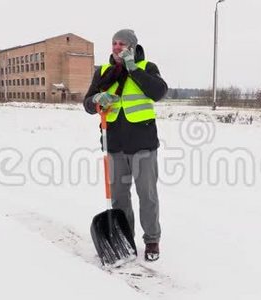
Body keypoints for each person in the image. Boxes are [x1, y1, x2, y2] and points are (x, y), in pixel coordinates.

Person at [83, 29, 168, 261]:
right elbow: (87, 103)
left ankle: (152, 240)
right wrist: (96, 100)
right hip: (114, 145)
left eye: (121, 43)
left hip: (143, 146)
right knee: (120, 197)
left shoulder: (147, 67)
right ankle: (125, 238)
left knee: (147, 195)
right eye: (114, 43)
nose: (116, 47)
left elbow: (158, 92)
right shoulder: (103, 71)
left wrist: (132, 68)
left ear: (132, 46)